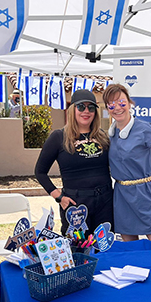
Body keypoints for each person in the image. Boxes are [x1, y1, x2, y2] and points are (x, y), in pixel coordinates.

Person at [103, 83, 151, 249]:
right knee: (132, 254)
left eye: (121, 102)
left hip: (146, 195)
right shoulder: (111, 134)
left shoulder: (144, 129)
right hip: (122, 196)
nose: (117, 108)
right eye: (111, 104)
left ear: (130, 103)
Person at [35, 89, 113, 236]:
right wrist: (59, 197)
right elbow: (40, 172)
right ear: (72, 110)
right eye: (81, 107)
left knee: (105, 250)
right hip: (76, 204)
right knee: (78, 251)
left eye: (91, 108)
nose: (86, 111)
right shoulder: (59, 137)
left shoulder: (103, 136)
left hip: (105, 201)